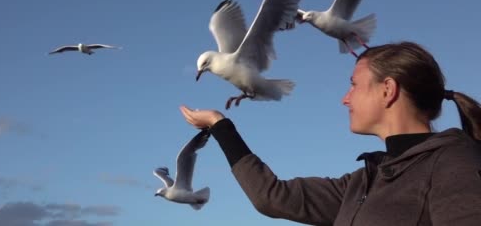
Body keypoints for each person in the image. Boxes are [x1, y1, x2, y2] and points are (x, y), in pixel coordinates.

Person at [180, 41, 481, 225]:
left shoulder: (454, 166)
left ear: (388, 90)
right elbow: (272, 198)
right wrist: (220, 125)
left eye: (354, 84)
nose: (345, 98)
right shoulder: (365, 181)